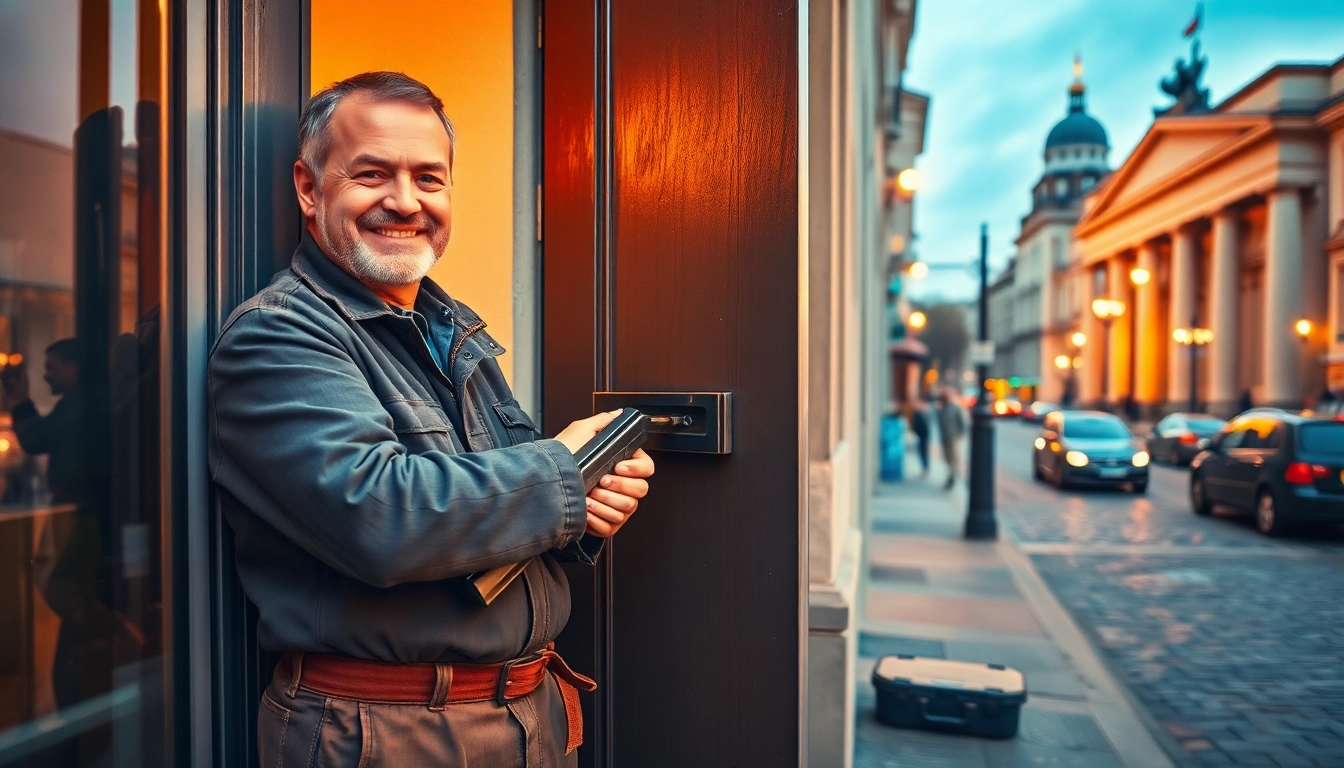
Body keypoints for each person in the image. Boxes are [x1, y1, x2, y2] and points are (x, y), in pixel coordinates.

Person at [208, 72, 655, 767]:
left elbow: (488, 507)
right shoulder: (278, 336)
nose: (405, 201)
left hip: (525, 715)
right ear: (308, 187)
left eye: (430, 177)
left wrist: (585, 508)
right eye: (371, 174)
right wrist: (563, 474)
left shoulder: (448, 330)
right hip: (387, 733)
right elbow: (381, 515)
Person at [934, 388, 966, 490]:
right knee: (947, 459)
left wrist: (960, 435)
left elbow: (962, 423)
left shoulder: (955, 408)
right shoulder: (940, 410)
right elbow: (939, 423)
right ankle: (950, 476)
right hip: (945, 438)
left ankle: (952, 477)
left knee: (954, 459)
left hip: (954, 438)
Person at [901, 397, 931, 478]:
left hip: (924, 437)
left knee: (923, 453)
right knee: (922, 453)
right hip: (921, 437)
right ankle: (924, 468)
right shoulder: (917, 414)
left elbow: (922, 426)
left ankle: (925, 468)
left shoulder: (922, 414)